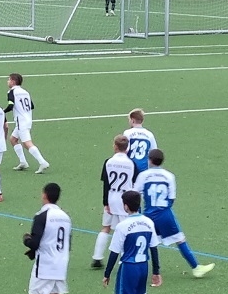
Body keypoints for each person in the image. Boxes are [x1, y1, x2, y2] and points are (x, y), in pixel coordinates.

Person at [18, 182, 89, 294]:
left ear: (44, 195)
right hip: (61, 265)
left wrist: (26, 240)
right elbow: (66, 243)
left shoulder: (42, 215)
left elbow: (35, 242)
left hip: (45, 266)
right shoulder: (66, 217)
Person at [136, 149, 214, 284]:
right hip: (164, 214)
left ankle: (134, 268)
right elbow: (171, 198)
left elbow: (135, 194)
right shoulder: (169, 176)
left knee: (145, 242)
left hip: (148, 215)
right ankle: (196, 267)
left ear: (150, 160)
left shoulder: (143, 175)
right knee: (180, 239)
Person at [102, 190, 160, 294]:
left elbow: (114, 252)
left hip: (129, 267)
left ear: (125, 206)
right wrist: (156, 271)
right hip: (143, 266)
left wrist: (107, 273)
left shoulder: (123, 226)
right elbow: (154, 248)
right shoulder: (148, 222)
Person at [91, 135, 137, 268]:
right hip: (125, 201)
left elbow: (106, 184)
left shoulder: (108, 162)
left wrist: (106, 203)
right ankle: (124, 260)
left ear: (115, 146)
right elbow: (135, 183)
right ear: (127, 148)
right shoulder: (131, 164)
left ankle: (97, 257)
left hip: (111, 198)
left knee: (105, 227)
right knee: (126, 231)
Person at [5, 73, 50, 174]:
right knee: (13, 139)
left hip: (21, 121)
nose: (7, 82)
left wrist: (1, 112)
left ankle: (42, 162)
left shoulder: (11, 92)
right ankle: (23, 162)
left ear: (13, 81)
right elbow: (31, 106)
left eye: (9, 80)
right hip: (28, 119)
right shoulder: (25, 92)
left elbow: (10, 106)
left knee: (27, 143)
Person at [123, 108, 157, 173]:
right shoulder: (149, 134)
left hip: (130, 168)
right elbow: (154, 152)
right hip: (144, 169)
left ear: (132, 120)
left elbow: (125, 150)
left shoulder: (127, 133)